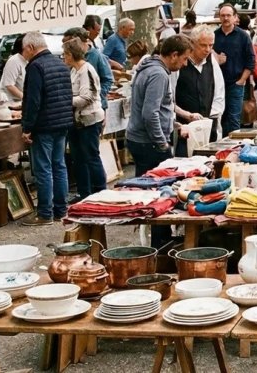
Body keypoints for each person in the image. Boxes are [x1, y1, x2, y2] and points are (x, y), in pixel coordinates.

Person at [126, 35, 193, 246]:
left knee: (151, 191)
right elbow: (150, 113)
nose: (184, 64)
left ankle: (159, 239)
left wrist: (176, 125)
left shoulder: (150, 68)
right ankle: (160, 242)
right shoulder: (158, 74)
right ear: (173, 55)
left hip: (142, 139)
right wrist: (161, 143)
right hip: (148, 143)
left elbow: (160, 110)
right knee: (159, 193)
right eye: (183, 59)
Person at [20, 31, 74, 225]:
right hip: (62, 122)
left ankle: (45, 213)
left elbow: (33, 100)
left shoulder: (36, 66)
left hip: (44, 125)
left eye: (24, 50)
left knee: (43, 169)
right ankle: (61, 210)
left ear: (31, 48)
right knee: (59, 166)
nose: (23, 55)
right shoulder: (60, 63)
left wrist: (27, 127)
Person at [61, 40, 106, 202]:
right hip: (77, 121)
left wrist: (66, 100)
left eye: (65, 54)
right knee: (78, 157)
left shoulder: (86, 70)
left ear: (71, 54)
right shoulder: (74, 70)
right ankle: (84, 192)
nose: (63, 57)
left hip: (89, 120)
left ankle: (100, 192)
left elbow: (87, 97)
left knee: (91, 156)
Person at [171, 26, 225, 155]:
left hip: (208, 123)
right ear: (193, 44)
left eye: (211, 45)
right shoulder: (180, 65)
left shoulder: (212, 62)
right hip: (184, 127)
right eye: (203, 45)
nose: (208, 50)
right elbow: (170, 96)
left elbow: (219, 92)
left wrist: (213, 118)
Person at [214, 4, 255, 136]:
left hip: (235, 83)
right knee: (219, 117)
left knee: (233, 118)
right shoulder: (213, 36)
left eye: (228, 15)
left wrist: (242, 80)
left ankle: (232, 149)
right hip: (216, 85)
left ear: (235, 17)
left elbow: (251, 60)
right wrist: (216, 57)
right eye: (223, 15)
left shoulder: (243, 36)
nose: (225, 18)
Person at [63, 27, 114, 112]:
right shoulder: (70, 59)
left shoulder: (96, 56)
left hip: (93, 108)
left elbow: (108, 79)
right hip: (77, 108)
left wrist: (96, 96)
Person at [0, 34, 27, 103]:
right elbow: (9, 85)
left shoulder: (27, 59)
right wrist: (26, 98)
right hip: (11, 102)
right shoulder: (14, 60)